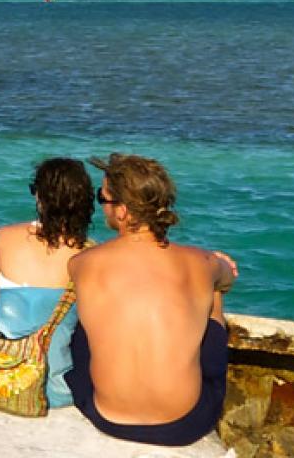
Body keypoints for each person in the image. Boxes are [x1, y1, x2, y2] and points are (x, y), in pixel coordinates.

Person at [64, 153, 238, 446]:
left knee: (84, 324)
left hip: (107, 417)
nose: (100, 206)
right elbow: (229, 277)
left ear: (121, 212)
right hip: (184, 424)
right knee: (214, 294)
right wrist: (213, 267)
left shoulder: (81, 264)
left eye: (102, 197)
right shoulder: (202, 261)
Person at [0, 157, 94, 407]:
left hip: (0, 379)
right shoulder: (90, 255)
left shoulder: (4, 238)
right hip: (55, 390)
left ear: (40, 198)